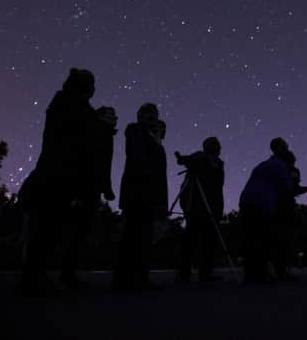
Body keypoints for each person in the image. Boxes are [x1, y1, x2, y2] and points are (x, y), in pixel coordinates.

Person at [18, 68, 101, 294]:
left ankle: (44, 276)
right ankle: (33, 279)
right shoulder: (68, 105)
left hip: (63, 174)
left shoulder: (69, 105)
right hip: (60, 175)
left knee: (55, 229)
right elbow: (72, 144)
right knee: (48, 228)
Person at [59, 105, 118, 289]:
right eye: (109, 115)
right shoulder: (95, 131)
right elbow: (88, 160)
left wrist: (106, 188)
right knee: (76, 230)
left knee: (81, 231)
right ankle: (66, 274)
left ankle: (69, 273)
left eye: (114, 115)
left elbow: (104, 164)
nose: (114, 118)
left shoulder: (105, 134)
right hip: (83, 186)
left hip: (92, 188)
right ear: (100, 116)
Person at [113, 103, 168, 291]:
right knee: (133, 236)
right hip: (138, 193)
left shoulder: (154, 138)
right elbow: (139, 159)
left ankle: (138, 277)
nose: (150, 117)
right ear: (140, 116)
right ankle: (126, 278)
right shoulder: (135, 131)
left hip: (149, 194)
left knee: (143, 237)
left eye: (153, 114)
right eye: (146, 114)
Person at [239, 137, 294, 283]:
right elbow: (286, 190)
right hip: (261, 205)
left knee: (251, 240)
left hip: (246, 202)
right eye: (285, 146)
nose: (287, 147)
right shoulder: (281, 166)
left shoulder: (264, 164)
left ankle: (252, 276)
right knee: (264, 240)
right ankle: (267, 275)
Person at [175, 137, 225, 283]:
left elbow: (218, 189)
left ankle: (206, 274)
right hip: (196, 206)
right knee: (190, 240)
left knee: (209, 242)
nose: (218, 148)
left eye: (218, 145)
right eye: (215, 145)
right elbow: (185, 161)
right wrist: (183, 159)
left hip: (213, 206)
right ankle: (184, 273)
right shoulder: (199, 158)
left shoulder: (219, 164)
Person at [272, 150, 307, 280]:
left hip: (283, 206)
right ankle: (281, 270)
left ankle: (281, 270)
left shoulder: (287, 170)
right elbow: (288, 188)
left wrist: (299, 189)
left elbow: (292, 188)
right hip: (282, 207)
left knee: (284, 240)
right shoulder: (285, 171)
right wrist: (298, 189)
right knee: (282, 240)